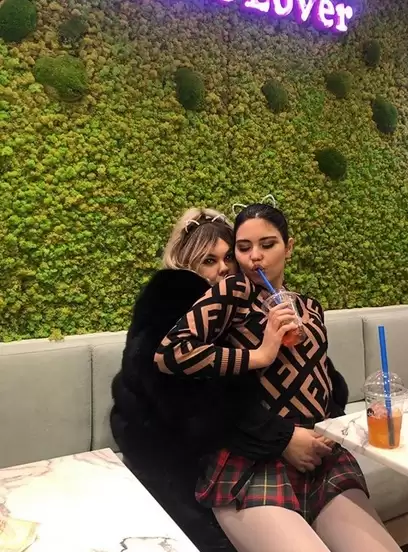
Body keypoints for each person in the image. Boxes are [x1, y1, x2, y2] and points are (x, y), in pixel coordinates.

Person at [155, 203, 403, 552]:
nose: (255, 256)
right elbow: (170, 353)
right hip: (254, 463)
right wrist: (260, 354)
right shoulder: (233, 292)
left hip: (321, 457)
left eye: (267, 244)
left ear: (289, 247)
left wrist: (331, 425)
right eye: (244, 248)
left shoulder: (310, 307)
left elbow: (322, 377)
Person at [111, 207, 348, 552]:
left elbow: (316, 371)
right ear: (186, 262)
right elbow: (191, 396)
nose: (223, 268)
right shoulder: (176, 299)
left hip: (231, 442)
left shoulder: (248, 301)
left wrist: (327, 412)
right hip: (168, 448)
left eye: (228, 258)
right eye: (209, 261)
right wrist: (282, 436)